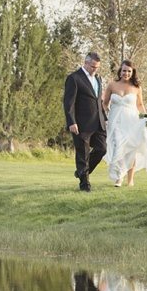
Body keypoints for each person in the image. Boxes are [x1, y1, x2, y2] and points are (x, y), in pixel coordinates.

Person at [101, 60, 147, 187]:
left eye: (129, 71)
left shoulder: (136, 87)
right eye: (124, 70)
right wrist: (105, 115)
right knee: (118, 146)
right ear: (120, 71)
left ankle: (130, 179)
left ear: (132, 73)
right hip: (115, 120)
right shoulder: (112, 85)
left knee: (131, 149)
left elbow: (140, 105)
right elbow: (105, 103)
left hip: (131, 121)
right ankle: (119, 177)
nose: (126, 73)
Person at [64, 52, 107, 192]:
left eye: (97, 67)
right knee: (83, 153)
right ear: (86, 63)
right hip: (81, 124)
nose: (95, 69)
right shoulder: (74, 78)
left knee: (102, 149)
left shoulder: (98, 79)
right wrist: (71, 121)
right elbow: (68, 103)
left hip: (99, 122)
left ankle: (82, 172)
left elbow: (98, 100)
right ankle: (85, 185)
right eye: (93, 66)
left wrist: (104, 117)